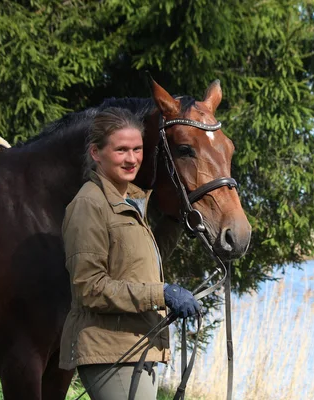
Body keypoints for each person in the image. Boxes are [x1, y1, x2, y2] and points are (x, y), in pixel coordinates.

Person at [59, 107, 200, 400]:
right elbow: (90, 287)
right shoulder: (89, 204)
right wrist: (163, 294)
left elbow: (139, 264)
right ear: (96, 153)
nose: (132, 158)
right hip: (109, 350)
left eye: (137, 149)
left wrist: (174, 219)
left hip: (137, 345)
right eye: (121, 149)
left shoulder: (132, 199)